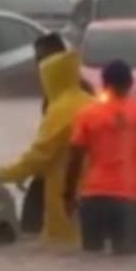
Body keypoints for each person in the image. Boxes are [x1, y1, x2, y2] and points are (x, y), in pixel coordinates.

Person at [63, 59, 136, 256]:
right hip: (128, 201)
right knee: (127, 265)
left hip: (93, 199)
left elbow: (74, 160)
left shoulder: (88, 115)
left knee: (91, 263)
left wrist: (68, 196)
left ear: (104, 84)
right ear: (131, 83)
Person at [0, 48, 93, 246]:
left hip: (65, 195)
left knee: (62, 249)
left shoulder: (60, 111)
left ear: (51, 79)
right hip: (98, 195)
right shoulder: (93, 103)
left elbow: (39, 155)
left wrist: (1, 174)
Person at [20, 33, 94, 234]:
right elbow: (49, 141)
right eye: (36, 58)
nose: (37, 63)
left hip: (74, 175)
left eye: (41, 57)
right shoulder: (52, 92)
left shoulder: (77, 91)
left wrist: (22, 169)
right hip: (53, 169)